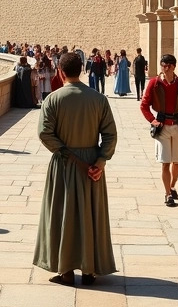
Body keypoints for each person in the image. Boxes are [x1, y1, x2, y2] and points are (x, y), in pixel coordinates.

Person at [33, 51, 118, 286]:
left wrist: (63, 151)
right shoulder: (99, 99)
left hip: (64, 164)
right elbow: (110, 135)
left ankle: (66, 270)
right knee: (91, 215)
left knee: (62, 214)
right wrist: (100, 162)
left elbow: (44, 133)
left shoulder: (53, 99)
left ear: (60, 71)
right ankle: (90, 270)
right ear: (81, 69)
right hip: (92, 164)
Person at [140, 53, 178, 207]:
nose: (164, 68)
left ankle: (172, 186)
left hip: (177, 125)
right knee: (165, 163)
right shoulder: (154, 83)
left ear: (173, 66)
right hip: (162, 126)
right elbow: (144, 105)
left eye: (168, 66)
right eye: (162, 65)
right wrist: (152, 120)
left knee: (177, 162)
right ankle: (167, 194)